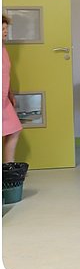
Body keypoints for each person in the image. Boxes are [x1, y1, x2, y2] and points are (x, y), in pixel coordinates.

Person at [2, 15, 22, 163]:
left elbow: (6, 74)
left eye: (6, 28)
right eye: (2, 29)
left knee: (14, 129)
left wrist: (11, 94)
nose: (5, 32)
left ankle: (8, 167)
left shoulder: (3, 48)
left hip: (4, 99)